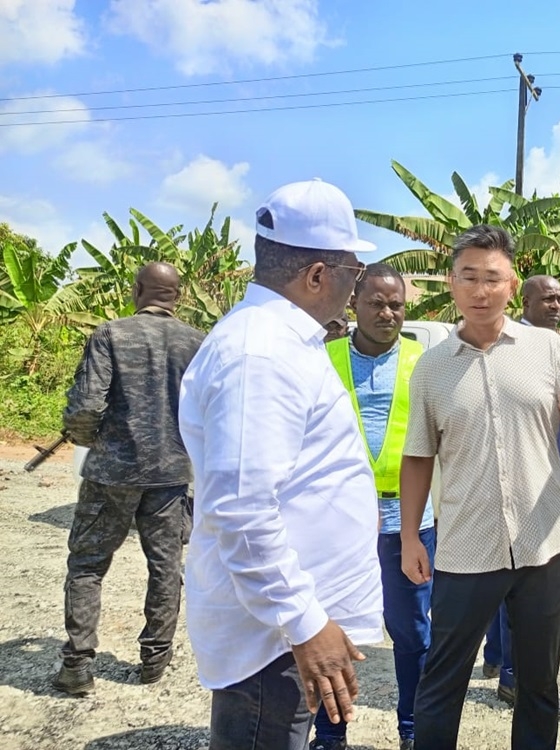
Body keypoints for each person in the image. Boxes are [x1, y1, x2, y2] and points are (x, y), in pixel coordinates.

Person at [178, 178, 383, 750]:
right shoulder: (260, 354)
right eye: (353, 272)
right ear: (318, 275)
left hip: (283, 627)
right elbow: (242, 509)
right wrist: (304, 622)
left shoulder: (282, 342)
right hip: (272, 639)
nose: (355, 285)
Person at [400, 225, 560, 750]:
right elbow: (417, 456)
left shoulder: (548, 348)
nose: (480, 291)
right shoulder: (430, 368)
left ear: (512, 283)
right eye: (469, 277)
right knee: (443, 681)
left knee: (539, 683)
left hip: (543, 545)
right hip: (466, 548)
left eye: (492, 278)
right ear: (451, 283)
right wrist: (411, 535)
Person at [53, 261, 205, 696]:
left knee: (87, 566)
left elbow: (85, 408)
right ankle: (154, 659)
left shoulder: (110, 334)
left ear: (138, 289)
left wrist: (90, 441)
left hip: (110, 475)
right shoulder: (197, 343)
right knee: (164, 567)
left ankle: (78, 666)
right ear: (177, 294)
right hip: (171, 475)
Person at [316, 263, 435, 750]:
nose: (388, 313)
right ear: (354, 305)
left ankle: (412, 730)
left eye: (396, 305)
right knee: (333, 630)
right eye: (376, 303)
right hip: (338, 523)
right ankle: (329, 734)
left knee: (412, 635)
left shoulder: (425, 361)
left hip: (407, 522)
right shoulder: (324, 358)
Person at [482, 273, 560, 721]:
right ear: (526, 301)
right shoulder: (513, 347)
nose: (556, 305)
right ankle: (515, 680)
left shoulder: (558, 347)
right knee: (521, 582)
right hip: (519, 486)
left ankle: (502, 662)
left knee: (521, 583)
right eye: (547, 298)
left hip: (553, 484)